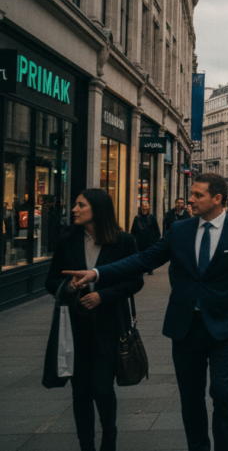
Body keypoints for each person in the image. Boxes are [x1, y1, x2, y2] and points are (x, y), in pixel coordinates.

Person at [63, 173, 228, 451]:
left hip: (227, 327)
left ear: (217, 199)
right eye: (191, 194)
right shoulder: (180, 230)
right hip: (185, 328)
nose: (190, 200)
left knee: (224, 393)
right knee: (191, 398)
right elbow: (144, 259)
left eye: (197, 195)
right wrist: (97, 273)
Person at [47, 190, 143, 451]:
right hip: (76, 327)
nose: (74, 209)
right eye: (75, 204)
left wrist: (103, 295)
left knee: (101, 388)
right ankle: (86, 444)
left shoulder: (123, 241)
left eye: (81, 205)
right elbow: (52, 280)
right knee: (80, 391)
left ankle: (109, 438)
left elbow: (135, 280)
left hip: (110, 326)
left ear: (97, 209)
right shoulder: (67, 240)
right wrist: (70, 285)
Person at [130, 201, 161, 275]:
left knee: (149, 255)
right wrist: (132, 239)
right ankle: (141, 268)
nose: (144, 208)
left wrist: (157, 240)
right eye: (143, 206)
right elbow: (133, 230)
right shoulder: (137, 218)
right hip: (140, 240)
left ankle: (150, 268)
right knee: (140, 255)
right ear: (140, 208)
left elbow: (156, 229)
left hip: (150, 240)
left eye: (146, 206)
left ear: (149, 208)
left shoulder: (152, 217)